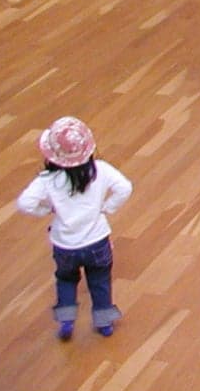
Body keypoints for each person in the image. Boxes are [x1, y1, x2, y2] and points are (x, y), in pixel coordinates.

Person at [16, 116, 133, 340]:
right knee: (100, 281)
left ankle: (66, 322)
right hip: (98, 241)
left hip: (64, 245)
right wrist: (107, 207)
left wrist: (46, 210)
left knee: (66, 280)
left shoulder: (47, 179)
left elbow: (25, 203)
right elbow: (125, 188)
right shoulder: (101, 170)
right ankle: (104, 323)